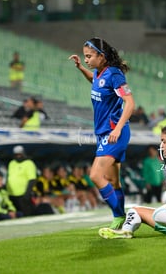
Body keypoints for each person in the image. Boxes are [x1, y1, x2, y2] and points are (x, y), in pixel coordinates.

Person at [69, 37, 135, 229]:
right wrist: (81, 68)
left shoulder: (115, 75)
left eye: (89, 56)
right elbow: (95, 80)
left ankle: (119, 216)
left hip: (114, 132)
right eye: (85, 56)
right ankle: (121, 219)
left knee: (96, 175)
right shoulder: (99, 72)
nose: (87, 59)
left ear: (102, 55)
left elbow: (130, 103)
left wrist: (117, 128)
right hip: (103, 133)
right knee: (114, 181)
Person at [6, 145, 37, 216]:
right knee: (15, 214)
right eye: (16, 155)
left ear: (23, 153)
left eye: (20, 154)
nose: (18, 156)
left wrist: (27, 193)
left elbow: (32, 179)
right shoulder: (12, 163)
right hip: (11, 194)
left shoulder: (29, 163)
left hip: (23, 195)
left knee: (26, 214)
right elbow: (8, 177)